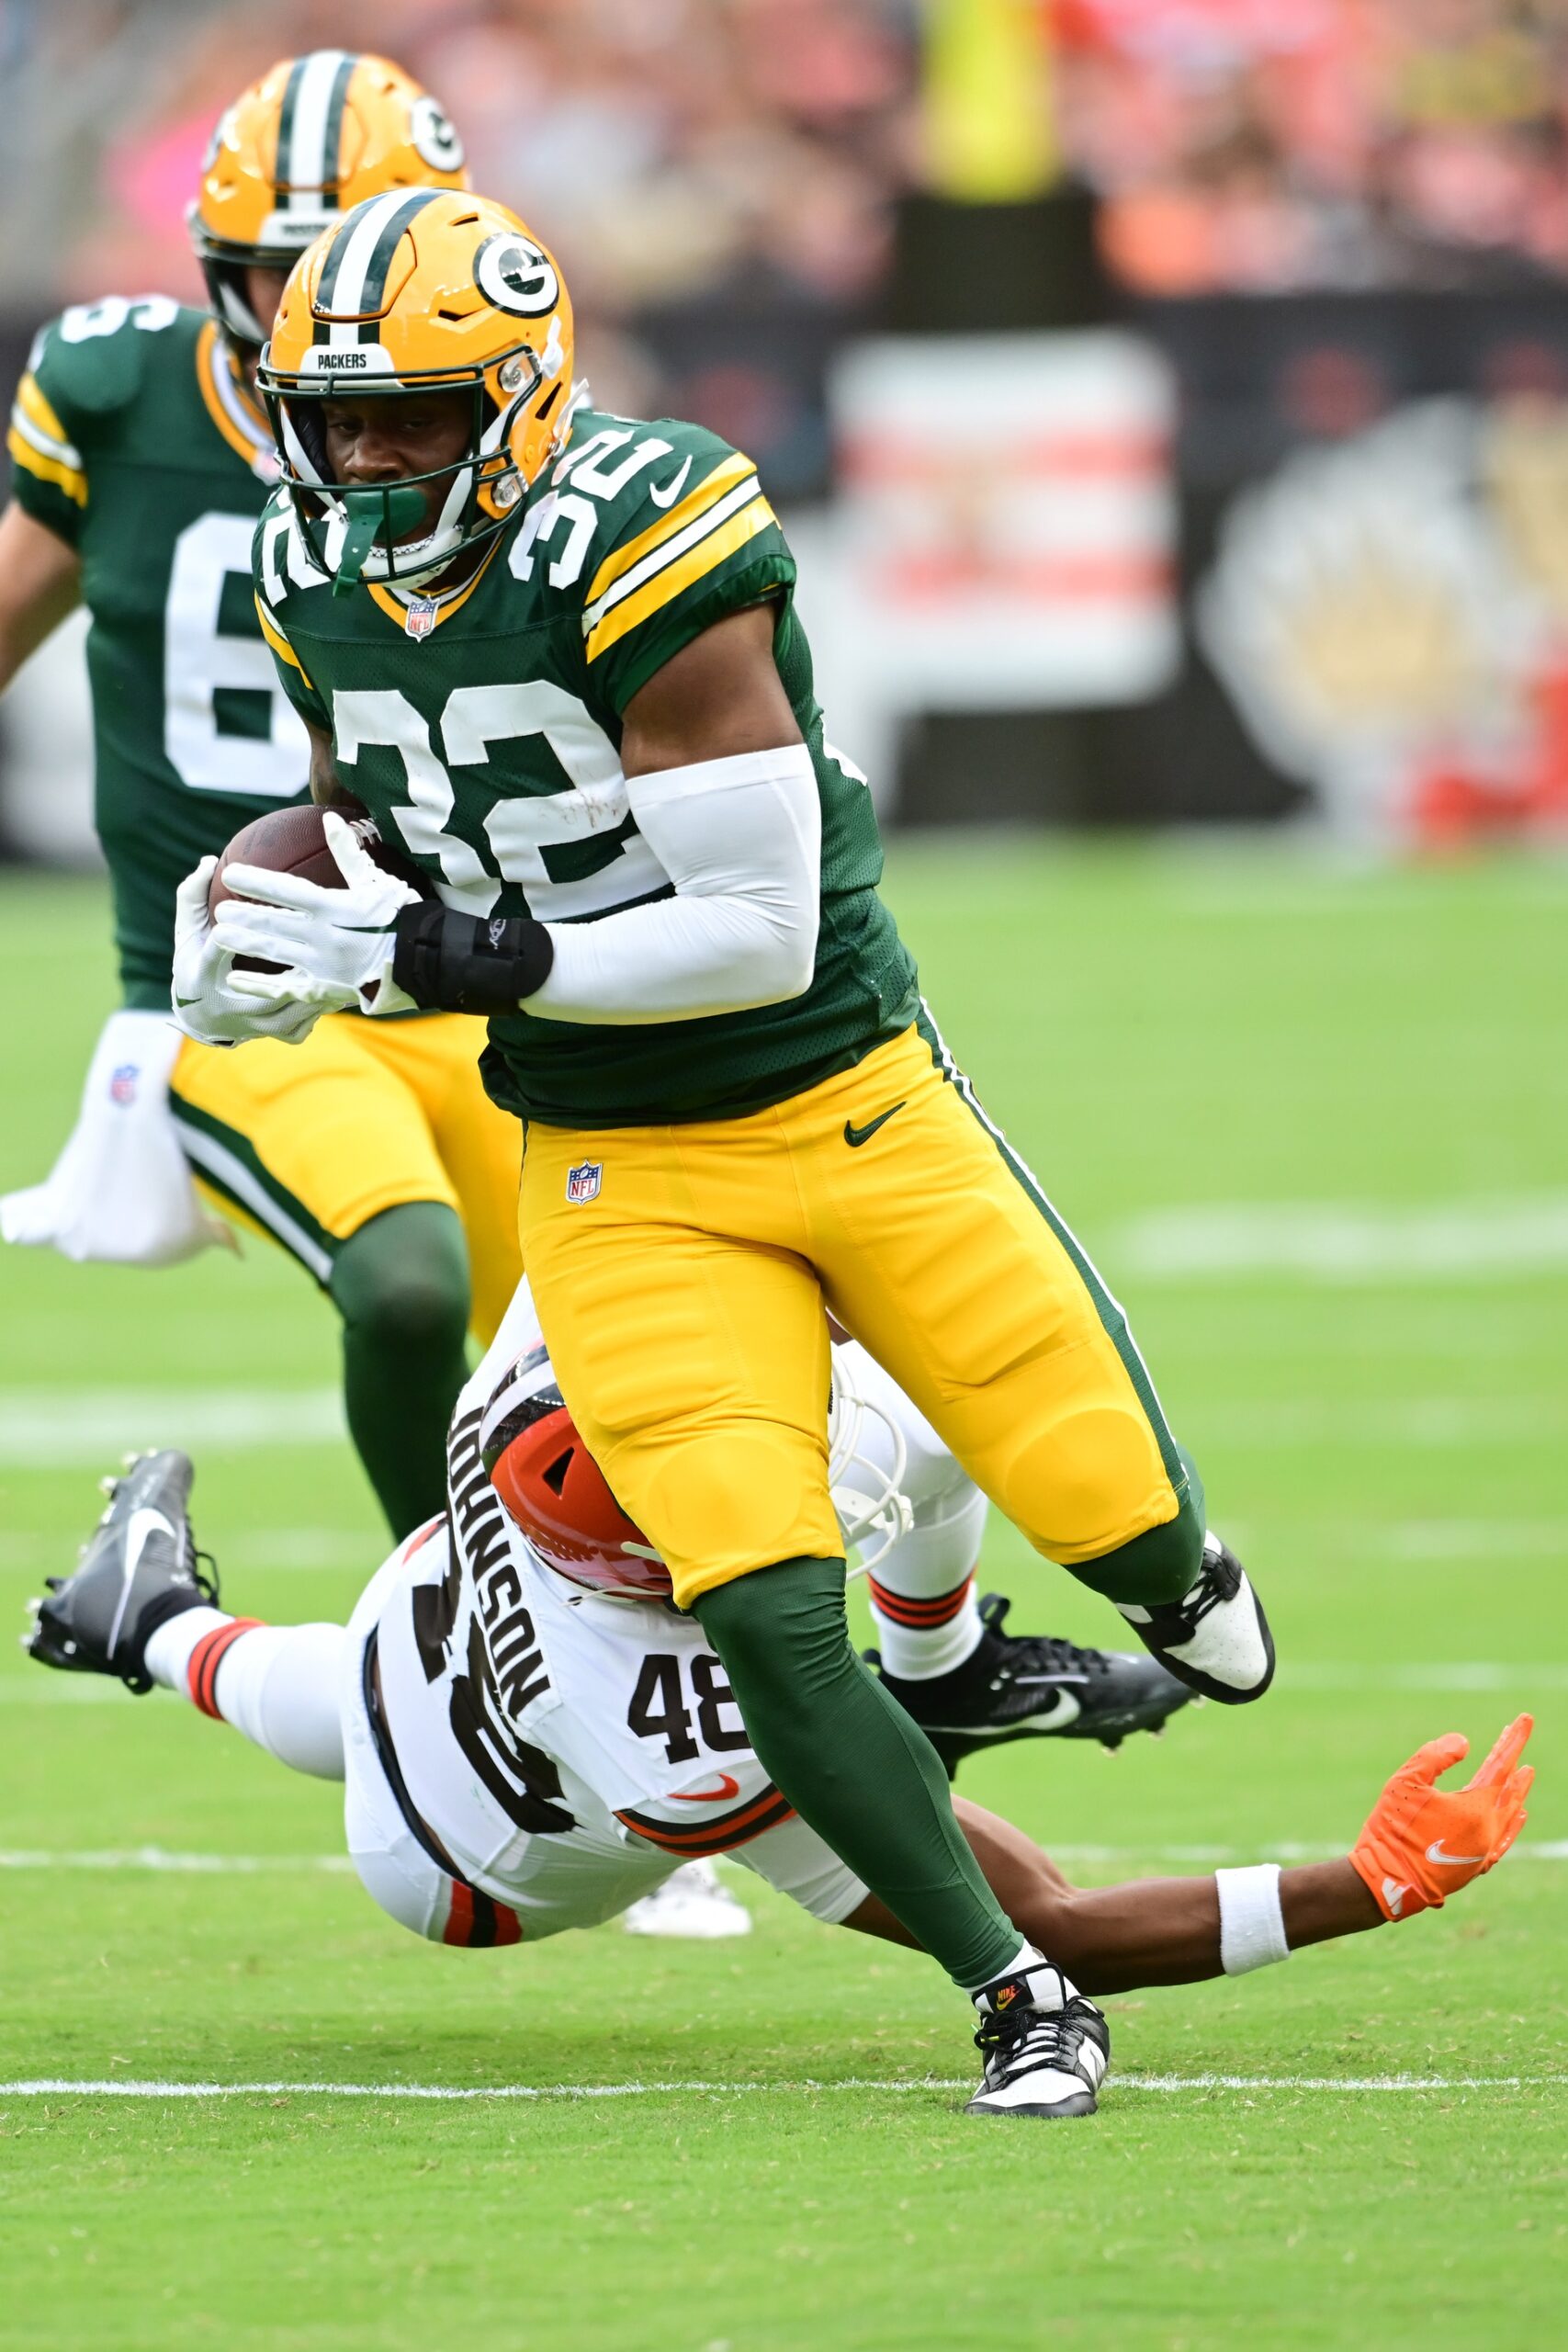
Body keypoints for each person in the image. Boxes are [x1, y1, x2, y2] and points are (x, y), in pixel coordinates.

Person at [176, 186, 1280, 2116]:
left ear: (514, 402)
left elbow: (750, 932)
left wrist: (424, 952)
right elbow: (381, 804)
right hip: (614, 1155)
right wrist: (260, 930)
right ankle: (1015, 1993)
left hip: (831, 1089)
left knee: (1163, 1572)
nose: (362, 453)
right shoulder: (314, 571)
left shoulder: (646, 529)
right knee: (765, 1605)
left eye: (411, 415)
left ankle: (1090, 1599)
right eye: (335, 412)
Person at [24, 1300, 1533, 2116]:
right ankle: (155, 1626)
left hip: (420, 1621)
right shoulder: (685, 1729)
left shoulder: (527, 1391)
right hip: (467, 1863)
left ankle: (146, 1621)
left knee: (352, 1675)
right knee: (383, 1748)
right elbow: (1049, 1931)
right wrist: (1367, 1888)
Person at [0, 53, 517, 1539]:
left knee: (659, 1340)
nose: (320, 312)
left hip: (463, 972)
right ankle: (456, 1627)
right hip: (235, 982)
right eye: (285, 268)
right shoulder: (115, 388)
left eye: (358, 267)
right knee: (407, 1277)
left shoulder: (496, 423)